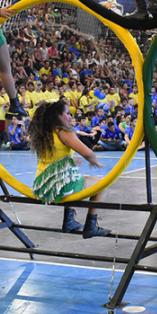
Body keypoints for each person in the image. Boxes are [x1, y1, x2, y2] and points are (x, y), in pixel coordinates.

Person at [29, 100, 112, 238]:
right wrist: (94, 161)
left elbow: (53, 156)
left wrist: (70, 160)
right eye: (67, 113)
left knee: (76, 176)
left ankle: (69, 221)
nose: (70, 117)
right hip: (57, 185)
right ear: (58, 116)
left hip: (42, 184)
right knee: (102, 184)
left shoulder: (45, 133)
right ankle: (91, 226)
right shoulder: (64, 132)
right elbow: (88, 153)